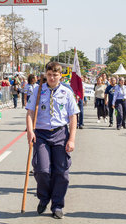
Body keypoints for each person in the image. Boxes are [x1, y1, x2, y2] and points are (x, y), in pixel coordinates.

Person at [25, 62, 79, 219]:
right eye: (49, 74)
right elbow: (29, 112)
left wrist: (72, 139)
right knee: (42, 170)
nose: (52, 77)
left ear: (60, 75)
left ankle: (57, 204)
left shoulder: (66, 92)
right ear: (46, 74)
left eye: (55, 75)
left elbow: (73, 116)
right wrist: (30, 131)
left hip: (60, 133)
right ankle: (44, 197)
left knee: (61, 172)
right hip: (41, 133)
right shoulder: (38, 89)